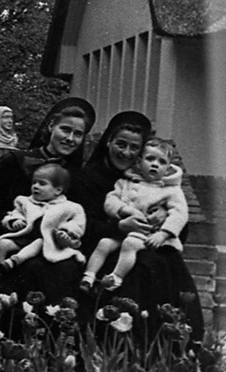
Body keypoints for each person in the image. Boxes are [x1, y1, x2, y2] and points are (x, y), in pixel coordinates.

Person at [69, 110, 203, 340]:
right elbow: (83, 226)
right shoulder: (86, 178)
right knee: (138, 271)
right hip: (100, 251)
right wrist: (119, 226)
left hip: (146, 246)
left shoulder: (158, 185)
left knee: (160, 265)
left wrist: (162, 217)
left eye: (134, 149)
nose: (126, 153)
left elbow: (181, 223)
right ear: (108, 142)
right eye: (120, 144)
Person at [0, 97, 96, 304]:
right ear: (50, 127)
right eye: (65, 129)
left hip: (54, 247)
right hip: (15, 238)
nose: (70, 138)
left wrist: (71, 239)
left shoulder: (78, 178)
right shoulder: (16, 162)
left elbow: (80, 222)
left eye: (78, 134)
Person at [82, 138, 188, 291]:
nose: (155, 164)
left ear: (167, 169)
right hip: (123, 232)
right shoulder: (125, 182)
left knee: (130, 244)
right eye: (150, 159)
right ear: (139, 162)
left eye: (162, 162)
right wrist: (125, 210)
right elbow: (111, 200)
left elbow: (179, 213)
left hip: (149, 236)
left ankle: (116, 278)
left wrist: (163, 234)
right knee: (104, 243)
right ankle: (88, 276)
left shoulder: (171, 190)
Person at [0, 163, 86, 286]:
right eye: (34, 182)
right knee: (2, 244)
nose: (35, 186)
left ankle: (15, 261)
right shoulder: (25, 201)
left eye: (42, 183)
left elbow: (78, 224)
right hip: (24, 238)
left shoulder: (70, 207)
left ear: (58, 190)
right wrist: (15, 220)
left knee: (38, 242)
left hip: (49, 242)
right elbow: (14, 213)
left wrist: (66, 231)